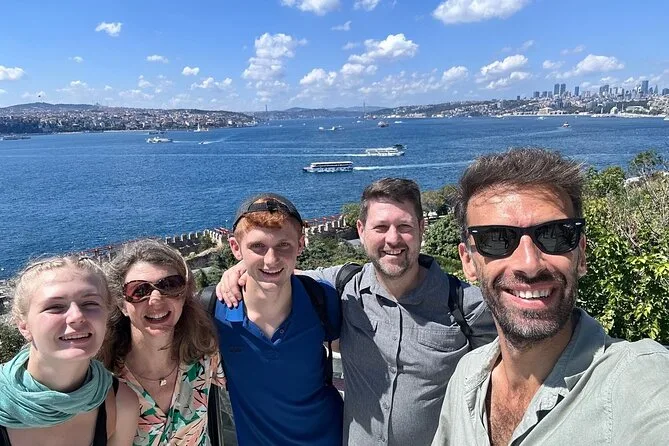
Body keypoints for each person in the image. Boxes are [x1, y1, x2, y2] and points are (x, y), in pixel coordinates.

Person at [218, 179, 497, 445]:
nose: (392, 239)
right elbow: (279, 273)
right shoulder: (342, 286)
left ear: (422, 228)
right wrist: (241, 268)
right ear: (361, 231)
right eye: (380, 227)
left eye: (404, 226)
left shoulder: (466, 306)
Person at [431, 148, 669, 446]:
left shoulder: (638, 381)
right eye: (496, 239)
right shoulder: (466, 377)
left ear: (581, 254)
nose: (529, 264)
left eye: (555, 235)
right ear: (468, 262)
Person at [213, 193, 343, 445]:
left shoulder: (321, 299)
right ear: (235, 247)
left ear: (301, 244)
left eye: (283, 245)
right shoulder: (214, 312)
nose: (271, 260)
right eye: (257, 246)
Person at [0, 256, 138, 446]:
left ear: (106, 317)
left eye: (90, 303)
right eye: (55, 307)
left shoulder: (121, 403)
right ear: (24, 326)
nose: (77, 316)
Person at [99, 240, 225, 446]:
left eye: (169, 285)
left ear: (183, 296)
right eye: (139, 291)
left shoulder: (204, 356)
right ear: (122, 305)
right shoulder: (103, 379)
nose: (156, 299)